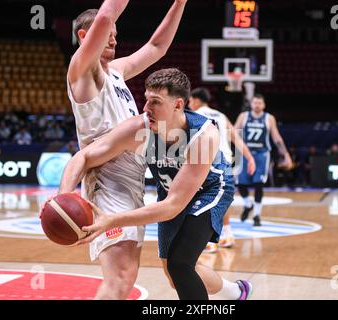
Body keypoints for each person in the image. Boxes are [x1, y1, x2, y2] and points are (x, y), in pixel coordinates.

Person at [59, 68, 253, 300]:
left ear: (178, 105)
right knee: (173, 274)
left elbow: (173, 206)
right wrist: (63, 196)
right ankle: (236, 292)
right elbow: (85, 156)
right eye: (146, 99)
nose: (146, 108)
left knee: (180, 263)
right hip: (172, 192)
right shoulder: (140, 128)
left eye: (155, 102)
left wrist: (111, 219)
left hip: (211, 191)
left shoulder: (203, 135)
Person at [67, 0, 188, 299]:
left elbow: (157, 47)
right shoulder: (82, 71)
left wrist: (180, 2)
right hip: (106, 181)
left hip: (132, 180)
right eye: (108, 32)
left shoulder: (116, 71)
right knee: (119, 280)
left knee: (125, 278)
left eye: (116, 33)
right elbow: (107, 12)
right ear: (85, 37)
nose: (114, 37)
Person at [188, 87, 255, 253]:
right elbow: (236, 139)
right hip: (225, 159)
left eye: (190, 100)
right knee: (220, 198)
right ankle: (227, 233)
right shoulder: (221, 115)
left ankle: (209, 239)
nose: (189, 103)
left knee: (204, 198)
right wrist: (250, 158)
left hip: (207, 160)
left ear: (196, 100)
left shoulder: (194, 115)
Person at [234, 94, 293, 226]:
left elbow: (277, 138)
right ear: (251, 104)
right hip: (245, 153)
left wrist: (286, 154)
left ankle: (256, 215)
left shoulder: (269, 118)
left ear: (264, 105)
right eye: (255, 103)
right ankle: (248, 204)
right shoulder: (243, 116)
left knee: (258, 184)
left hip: (262, 154)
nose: (257, 105)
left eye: (260, 103)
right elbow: (234, 133)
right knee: (240, 183)